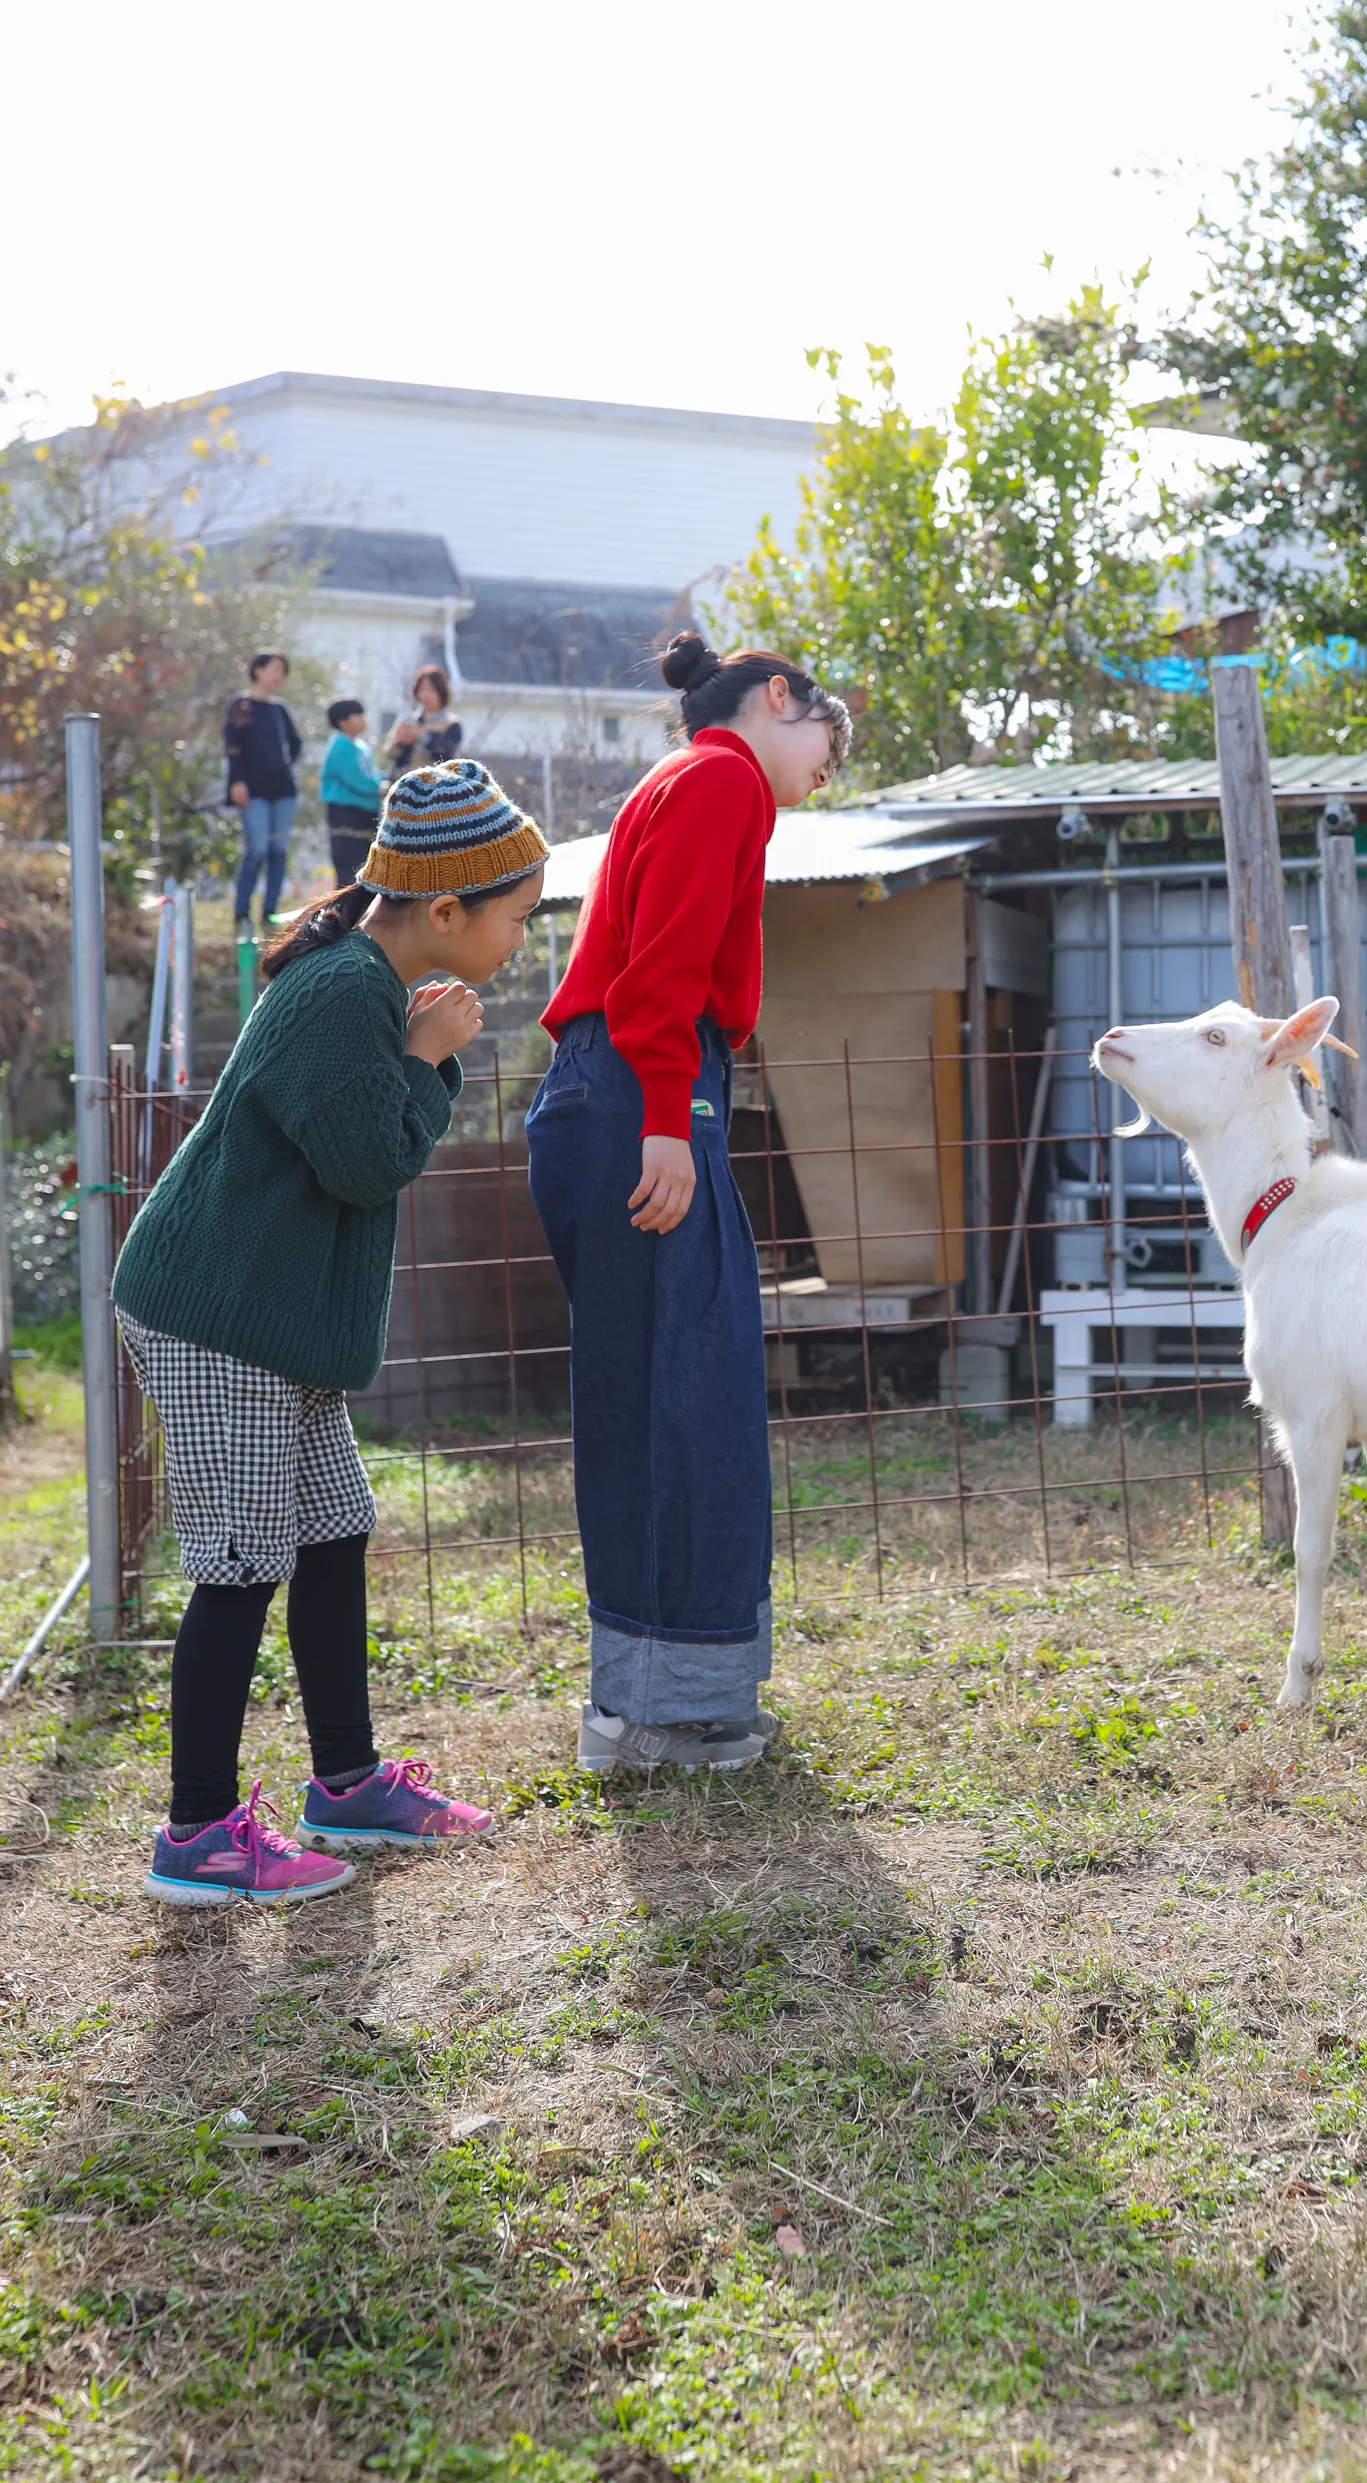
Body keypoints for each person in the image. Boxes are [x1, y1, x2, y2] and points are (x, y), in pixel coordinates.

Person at [112, 760, 549, 1904]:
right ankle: (196, 1835)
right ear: (446, 910)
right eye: (515, 915)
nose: (522, 938)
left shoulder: (364, 982)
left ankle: (346, 1787)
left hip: (274, 1321)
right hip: (219, 1316)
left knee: (333, 1529)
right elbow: (370, 1163)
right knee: (243, 1560)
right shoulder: (344, 994)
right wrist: (431, 1059)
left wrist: (416, 1057)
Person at [526, 631, 849, 1776]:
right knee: (688, 1391)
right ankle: (673, 1715)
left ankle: (643, 1707)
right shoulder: (719, 778)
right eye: (827, 737)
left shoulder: (679, 780)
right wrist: (669, 1112)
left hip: (613, 1085)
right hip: (642, 1087)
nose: (827, 767)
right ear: (775, 699)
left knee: (648, 1392)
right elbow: (659, 964)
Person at [224, 650, 302, 936]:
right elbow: (232, 748)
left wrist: (283, 765)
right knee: (256, 849)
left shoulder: (280, 708)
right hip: (252, 790)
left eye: (283, 669)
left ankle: (269, 910)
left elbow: (295, 743)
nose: (279, 674)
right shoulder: (240, 704)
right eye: (274, 668)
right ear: (258, 670)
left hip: (282, 791)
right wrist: (237, 782)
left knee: (278, 851)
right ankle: (241, 911)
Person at [320, 699, 382, 890]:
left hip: (365, 812)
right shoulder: (341, 745)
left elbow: (371, 774)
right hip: (346, 812)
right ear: (343, 721)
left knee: (364, 866)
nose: (363, 719)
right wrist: (379, 787)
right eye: (358, 715)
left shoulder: (360, 746)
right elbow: (358, 780)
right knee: (349, 869)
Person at [388, 665, 464, 775]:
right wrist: (400, 742)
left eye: (431, 689)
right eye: (422, 689)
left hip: (434, 785)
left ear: (441, 692)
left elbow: (447, 758)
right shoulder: (408, 722)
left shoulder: (451, 724)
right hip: (405, 783)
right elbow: (390, 755)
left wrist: (423, 738)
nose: (425, 694)